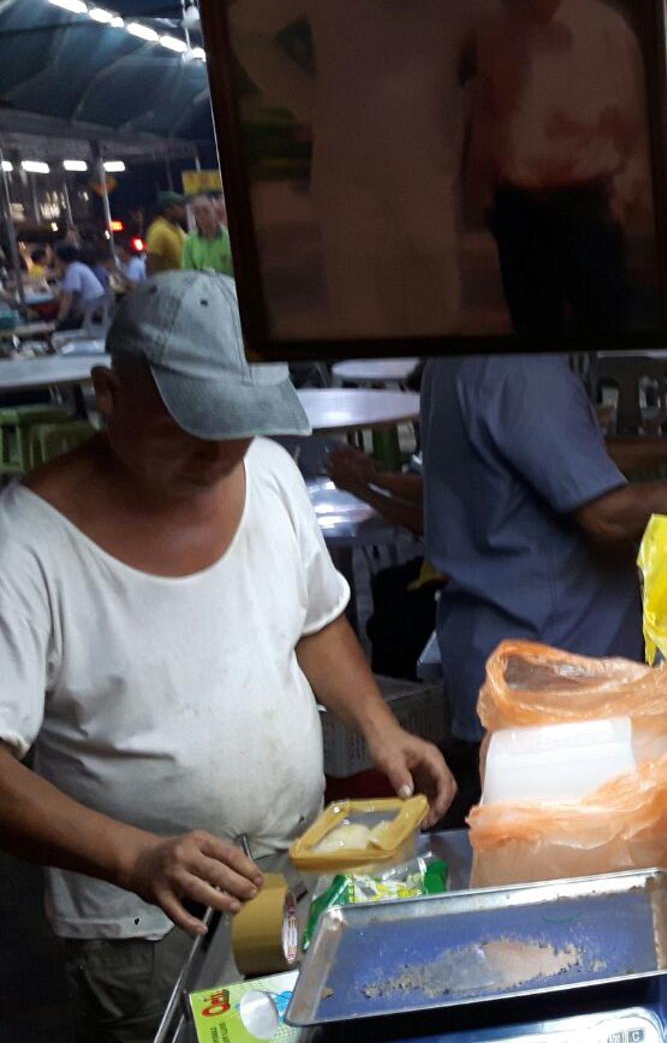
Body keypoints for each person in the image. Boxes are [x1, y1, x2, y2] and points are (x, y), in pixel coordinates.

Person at [0, 271, 454, 1042]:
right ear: (109, 392)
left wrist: (379, 726)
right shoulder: (28, 544)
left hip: (302, 871)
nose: (218, 455)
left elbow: (314, 622)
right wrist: (136, 857)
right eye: (190, 426)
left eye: (237, 425)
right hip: (143, 928)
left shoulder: (270, 475)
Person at [419, 355, 667, 820]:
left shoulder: (454, 360)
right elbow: (608, 516)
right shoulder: (522, 369)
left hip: (498, 654)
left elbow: (565, 451)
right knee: (565, 861)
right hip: (552, 690)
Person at [231, 0, 497, 338]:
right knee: (372, 322)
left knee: (426, 323)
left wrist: (308, 102)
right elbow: (244, 25)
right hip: (359, 186)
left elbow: (503, 52)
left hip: (419, 184)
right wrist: (307, 101)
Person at [474, 0, 644, 336]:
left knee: (601, 332)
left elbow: (638, 134)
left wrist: (618, 203)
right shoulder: (497, 29)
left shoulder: (607, 33)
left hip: (585, 212)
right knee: (531, 334)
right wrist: (489, 194)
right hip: (520, 213)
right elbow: (486, 115)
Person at [53, 244, 109, 330]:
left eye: (55, 258)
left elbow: (68, 298)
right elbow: (63, 294)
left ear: (60, 259)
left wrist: (58, 321)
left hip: (91, 316)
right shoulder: (77, 267)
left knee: (59, 326)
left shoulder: (73, 270)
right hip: (94, 311)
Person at [181, 194, 234, 277]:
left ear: (215, 211)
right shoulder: (189, 243)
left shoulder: (228, 238)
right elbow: (188, 274)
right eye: (197, 212)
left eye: (206, 210)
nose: (202, 216)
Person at [144, 193, 188, 275]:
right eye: (180, 206)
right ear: (168, 210)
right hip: (168, 285)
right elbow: (151, 264)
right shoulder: (158, 231)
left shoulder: (178, 229)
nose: (184, 210)